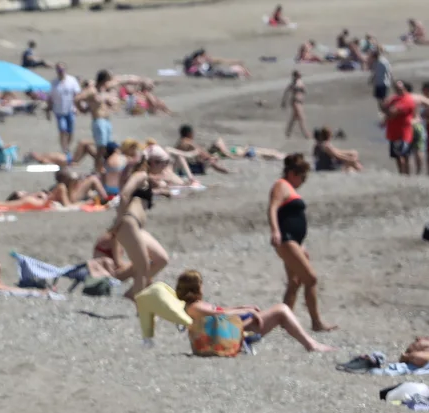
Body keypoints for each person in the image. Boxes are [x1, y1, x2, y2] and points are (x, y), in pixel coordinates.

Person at [175, 270, 334, 353]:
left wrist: (243, 307)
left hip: (229, 331)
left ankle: (310, 343)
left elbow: (223, 311)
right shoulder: (195, 307)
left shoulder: (195, 305)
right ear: (195, 287)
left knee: (279, 311)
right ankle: (311, 345)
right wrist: (246, 311)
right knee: (281, 310)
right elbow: (222, 316)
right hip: (229, 336)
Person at [269, 154, 336, 333]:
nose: (303, 181)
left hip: (294, 240)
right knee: (311, 278)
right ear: (292, 173)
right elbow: (273, 208)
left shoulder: (288, 187)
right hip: (286, 238)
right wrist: (275, 231)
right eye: (302, 176)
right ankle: (316, 323)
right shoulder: (281, 185)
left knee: (295, 281)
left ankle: (284, 320)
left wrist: (300, 245)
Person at [107, 148, 173, 300]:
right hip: (129, 223)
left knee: (161, 259)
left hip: (136, 226)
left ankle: (134, 291)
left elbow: (139, 193)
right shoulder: (140, 175)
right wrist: (118, 221)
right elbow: (124, 194)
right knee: (142, 266)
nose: (165, 167)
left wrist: (161, 191)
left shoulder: (145, 178)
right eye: (164, 163)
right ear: (153, 162)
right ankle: (140, 305)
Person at [76, 71, 121, 153]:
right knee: (101, 147)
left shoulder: (102, 90)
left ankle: (101, 164)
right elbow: (77, 99)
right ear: (104, 80)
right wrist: (82, 109)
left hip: (106, 120)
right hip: (98, 120)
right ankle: (98, 165)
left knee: (107, 146)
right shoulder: (92, 90)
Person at [382, 80, 419, 175]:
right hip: (393, 132)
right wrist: (385, 118)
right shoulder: (394, 99)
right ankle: (401, 173)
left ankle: (407, 174)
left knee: (405, 155)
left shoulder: (407, 99)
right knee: (397, 156)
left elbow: (393, 112)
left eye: (401, 89)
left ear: (404, 88)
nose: (399, 91)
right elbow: (385, 108)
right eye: (397, 89)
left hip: (404, 132)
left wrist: (388, 111)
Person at [50, 63, 82, 154]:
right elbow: (50, 98)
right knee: (62, 130)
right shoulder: (54, 83)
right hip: (59, 111)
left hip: (70, 110)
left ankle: (67, 146)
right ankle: (64, 149)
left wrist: (78, 107)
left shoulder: (72, 81)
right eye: (59, 70)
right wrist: (48, 110)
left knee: (70, 131)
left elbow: (77, 95)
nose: (60, 72)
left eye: (62, 70)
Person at [280, 71, 308, 139]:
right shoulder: (293, 84)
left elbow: (304, 91)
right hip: (295, 102)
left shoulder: (300, 82)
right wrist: (284, 101)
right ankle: (306, 134)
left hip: (300, 101)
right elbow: (286, 92)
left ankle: (288, 132)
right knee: (301, 117)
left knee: (294, 118)